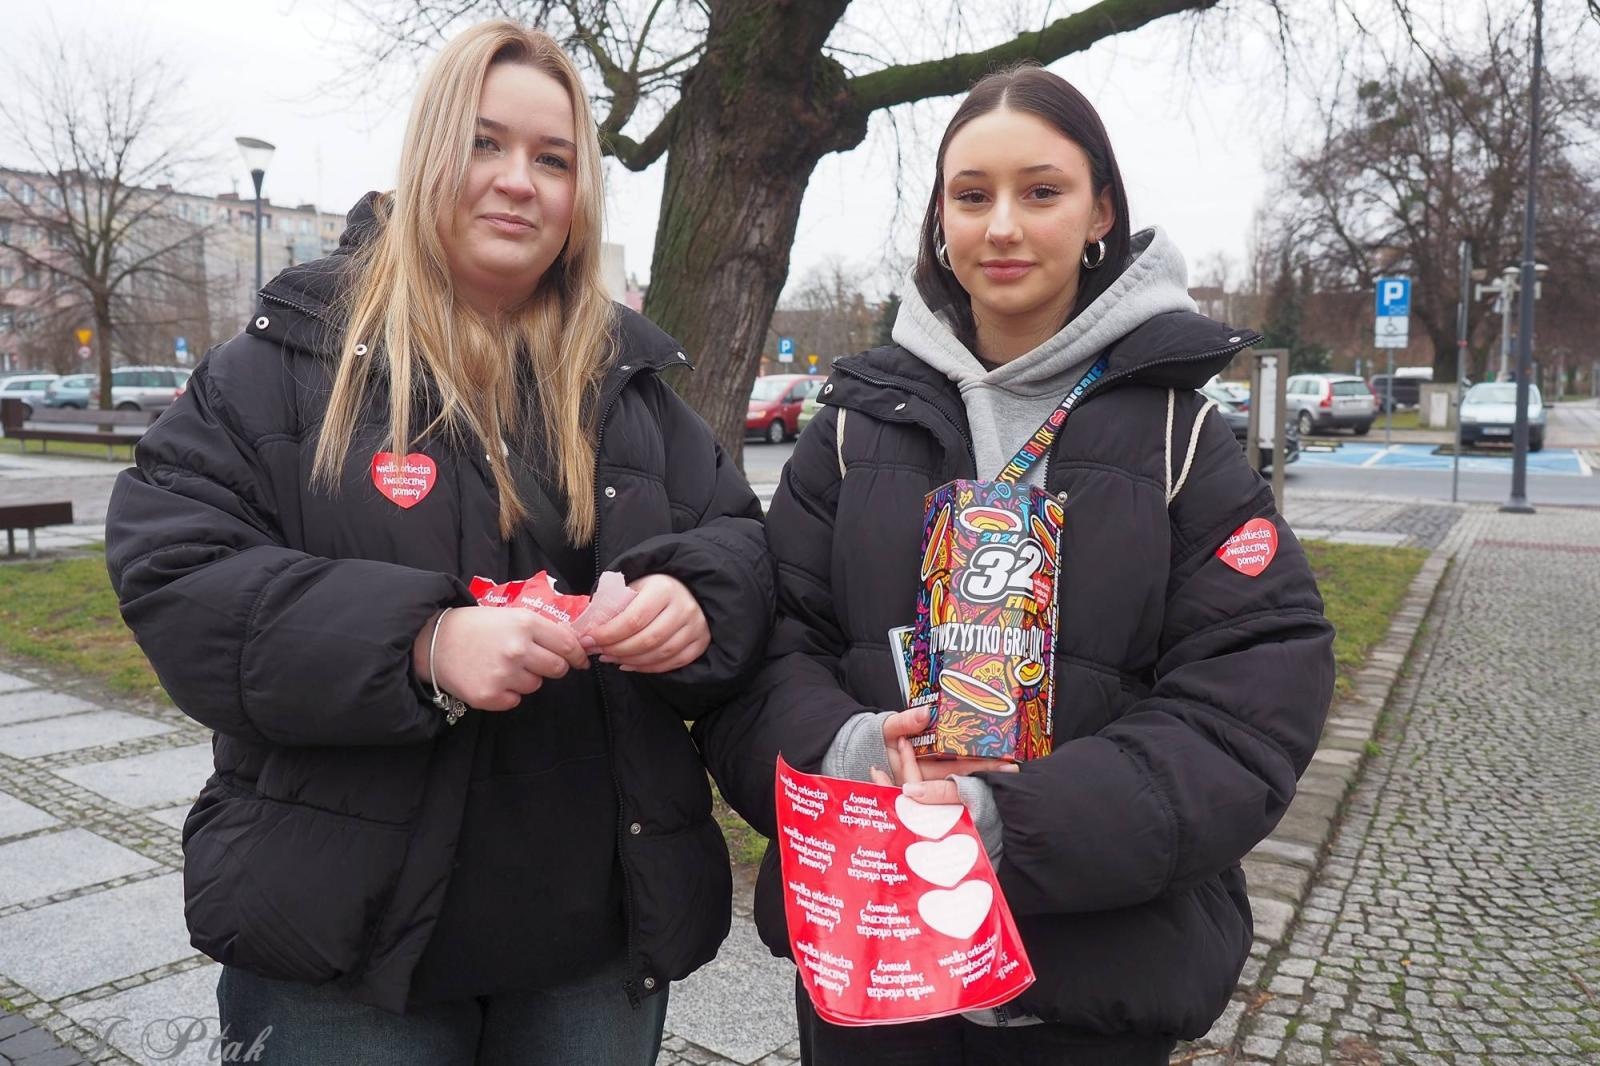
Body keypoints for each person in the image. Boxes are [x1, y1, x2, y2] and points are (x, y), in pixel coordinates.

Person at [104, 21, 773, 1065]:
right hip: (346, 951)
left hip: (594, 946)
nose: (518, 182)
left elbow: (735, 541)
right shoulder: (287, 361)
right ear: (428, 155)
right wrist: (422, 645)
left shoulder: (629, 384)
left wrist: (696, 600)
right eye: (484, 142)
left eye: (552, 159)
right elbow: (177, 572)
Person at [695, 64, 1335, 1064]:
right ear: (939, 223)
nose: (1001, 226)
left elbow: (1248, 704)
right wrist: (850, 754)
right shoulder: (855, 430)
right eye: (971, 194)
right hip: (876, 968)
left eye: (1041, 192)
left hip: (1088, 991)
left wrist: (1004, 819)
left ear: (1099, 214)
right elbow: (764, 657)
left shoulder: (1180, 439)